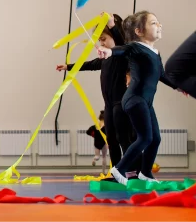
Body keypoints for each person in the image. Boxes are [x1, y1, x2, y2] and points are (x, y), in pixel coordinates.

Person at [98, 11, 182, 185]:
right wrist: (109, 52)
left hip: (146, 101)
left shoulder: (155, 53)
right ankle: (119, 169)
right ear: (139, 31)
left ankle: (145, 173)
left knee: (155, 138)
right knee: (144, 138)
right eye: (153, 23)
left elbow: (162, 75)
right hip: (134, 99)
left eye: (158, 23)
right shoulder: (136, 47)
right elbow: (122, 49)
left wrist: (179, 86)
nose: (159, 26)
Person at [57, 13, 137, 173]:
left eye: (104, 39)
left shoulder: (122, 55)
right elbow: (91, 64)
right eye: (99, 40)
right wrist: (69, 66)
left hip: (121, 104)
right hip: (108, 105)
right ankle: (116, 173)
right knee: (112, 141)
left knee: (124, 140)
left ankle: (133, 172)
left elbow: (121, 42)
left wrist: (112, 25)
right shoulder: (105, 58)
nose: (101, 43)